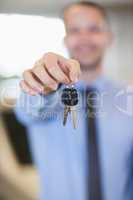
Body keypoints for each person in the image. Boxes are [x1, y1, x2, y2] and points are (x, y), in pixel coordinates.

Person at [15, 1, 133, 200]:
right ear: (65, 39)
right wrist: (43, 87)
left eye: (94, 29)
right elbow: (30, 110)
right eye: (75, 30)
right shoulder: (49, 92)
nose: (84, 38)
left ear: (109, 38)